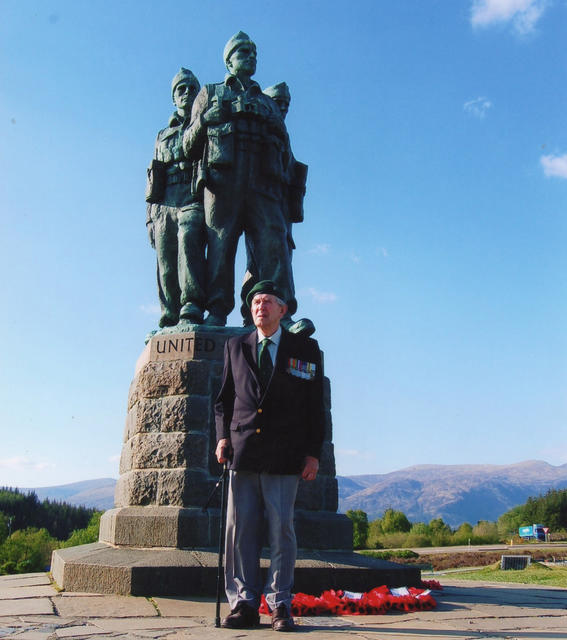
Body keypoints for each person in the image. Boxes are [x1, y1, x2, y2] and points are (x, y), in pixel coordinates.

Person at [214, 280, 324, 631]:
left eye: (267, 302)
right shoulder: (236, 346)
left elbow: (314, 408)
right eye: (255, 302)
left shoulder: (304, 349)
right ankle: (244, 604)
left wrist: (312, 454)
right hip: (242, 455)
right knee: (240, 531)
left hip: (284, 456)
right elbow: (224, 401)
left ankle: (279, 605)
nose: (259, 307)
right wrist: (221, 438)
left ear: (283, 310)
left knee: (281, 531)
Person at [183, 32, 296, 327]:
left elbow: (285, 147)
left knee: (273, 243)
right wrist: (207, 118)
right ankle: (217, 311)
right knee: (221, 245)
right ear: (229, 60)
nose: (250, 56)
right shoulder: (209, 93)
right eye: (243, 52)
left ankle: (279, 313)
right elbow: (187, 144)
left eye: (254, 52)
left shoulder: (268, 103)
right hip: (223, 183)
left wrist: (274, 126)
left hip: (262, 184)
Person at [239, 82, 314, 337]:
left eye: (286, 103)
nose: (281, 107)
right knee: (261, 258)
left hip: (279, 206)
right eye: (277, 101)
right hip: (257, 198)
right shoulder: (261, 128)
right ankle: (272, 312)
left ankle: (274, 314)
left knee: (275, 257)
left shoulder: (281, 133)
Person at [146, 68, 206, 327]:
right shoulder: (162, 135)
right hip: (164, 203)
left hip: (192, 197)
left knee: (189, 239)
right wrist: (149, 220)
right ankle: (170, 312)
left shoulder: (204, 125)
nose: (186, 93)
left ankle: (191, 305)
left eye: (192, 88)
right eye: (180, 89)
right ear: (173, 97)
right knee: (166, 262)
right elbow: (153, 179)